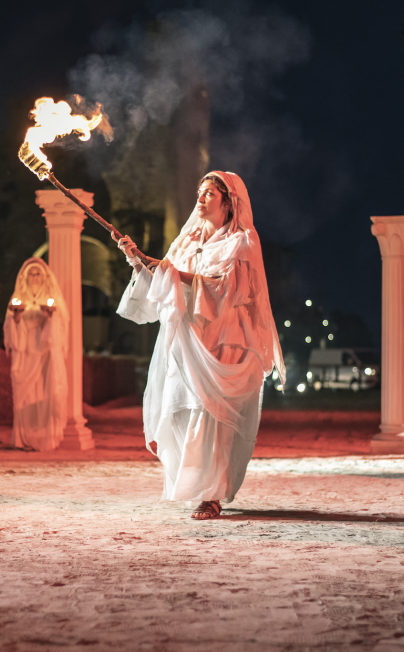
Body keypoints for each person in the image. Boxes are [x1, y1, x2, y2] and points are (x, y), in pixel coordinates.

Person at [113, 171, 285, 519]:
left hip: (224, 339)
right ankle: (194, 484)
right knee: (183, 411)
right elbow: (164, 282)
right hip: (186, 340)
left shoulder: (242, 241)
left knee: (213, 417)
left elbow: (229, 290)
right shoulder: (186, 241)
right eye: (200, 192)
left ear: (228, 202)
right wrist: (136, 258)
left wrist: (169, 272)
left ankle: (212, 495)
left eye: (209, 193)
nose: (201, 198)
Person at [4, 258, 69, 451]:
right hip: (25, 354)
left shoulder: (52, 297)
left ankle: (43, 438)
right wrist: (16, 318)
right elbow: (10, 326)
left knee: (44, 393)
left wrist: (50, 317)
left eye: (38, 273)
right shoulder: (18, 297)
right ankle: (23, 437)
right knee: (24, 397)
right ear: (25, 277)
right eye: (31, 274)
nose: (34, 277)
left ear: (44, 277)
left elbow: (61, 325)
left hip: (44, 354)